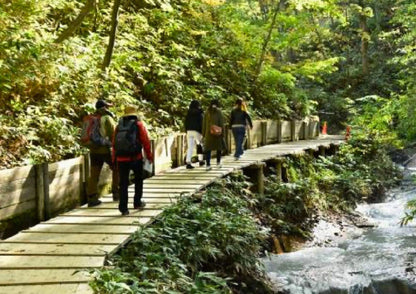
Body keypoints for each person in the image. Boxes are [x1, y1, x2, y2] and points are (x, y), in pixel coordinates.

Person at [113, 105, 153, 216]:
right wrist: (149, 156)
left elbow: (114, 144)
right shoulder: (138, 125)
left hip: (121, 159)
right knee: (138, 180)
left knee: (123, 183)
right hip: (136, 157)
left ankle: (123, 208)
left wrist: (114, 159)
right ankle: (137, 202)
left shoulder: (118, 127)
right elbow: (145, 141)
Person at [86, 99, 119, 207]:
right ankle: (116, 192)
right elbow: (113, 134)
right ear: (104, 107)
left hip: (94, 150)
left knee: (94, 174)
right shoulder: (107, 118)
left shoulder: (91, 118)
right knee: (116, 168)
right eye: (107, 106)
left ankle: (92, 198)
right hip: (105, 150)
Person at [202, 99, 225, 171]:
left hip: (208, 134)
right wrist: (222, 133)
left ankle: (208, 165)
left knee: (208, 149)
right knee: (219, 148)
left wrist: (204, 134)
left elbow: (204, 124)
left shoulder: (207, 112)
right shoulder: (219, 112)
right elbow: (221, 123)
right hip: (217, 133)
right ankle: (218, 163)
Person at [184, 100, 205, 169]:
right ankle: (201, 160)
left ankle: (188, 162)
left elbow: (186, 122)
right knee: (199, 145)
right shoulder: (200, 113)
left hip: (189, 131)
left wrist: (186, 130)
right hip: (197, 131)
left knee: (190, 147)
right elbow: (202, 123)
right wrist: (202, 132)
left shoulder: (188, 113)